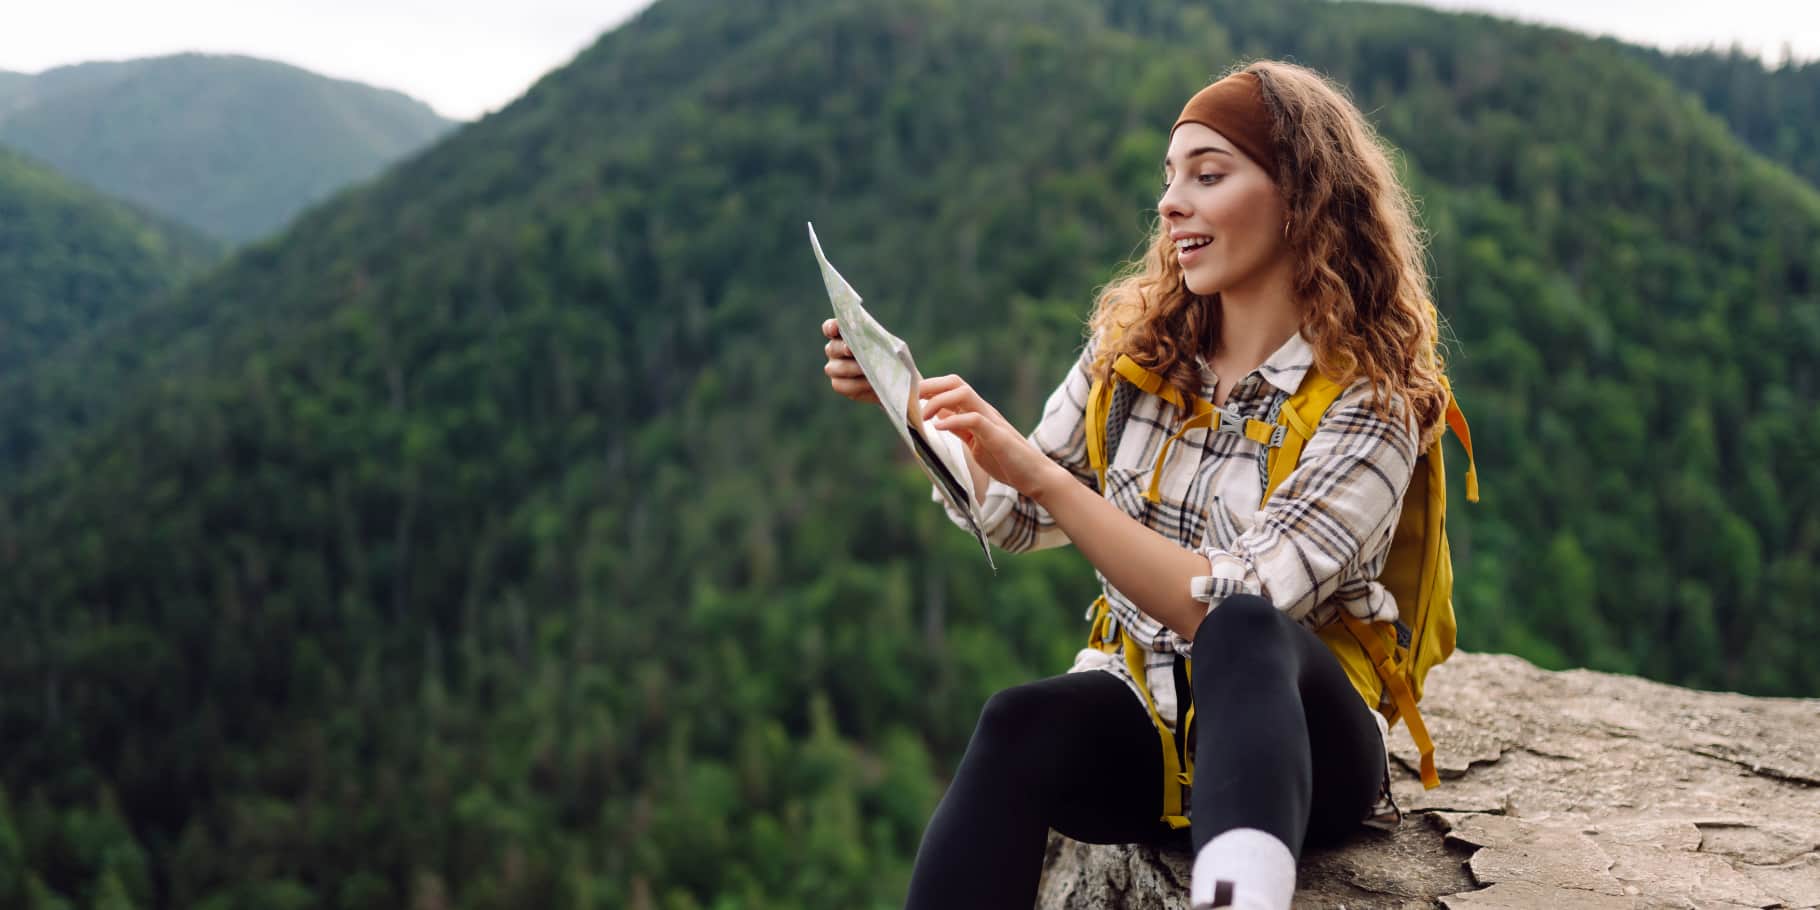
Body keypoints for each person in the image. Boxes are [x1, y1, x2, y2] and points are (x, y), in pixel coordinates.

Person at [821, 59, 1453, 910]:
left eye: (1208, 174)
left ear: (1302, 196)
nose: (1170, 203)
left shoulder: (1374, 400)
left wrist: (1043, 475)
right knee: (1016, 725)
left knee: (1243, 628)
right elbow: (1010, 512)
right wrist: (912, 412)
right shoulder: (1139, 355)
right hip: (1152, 723)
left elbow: (1227, 599)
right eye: (1169, 179)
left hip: (1304, 743)